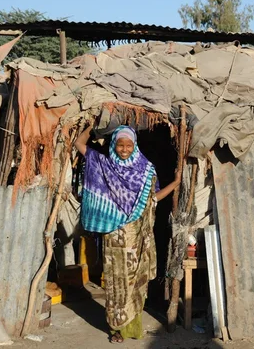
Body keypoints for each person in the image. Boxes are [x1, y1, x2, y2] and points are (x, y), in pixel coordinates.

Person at [75, 124, 181, 343]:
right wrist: (90, 126)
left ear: (135, 146)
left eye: (128, 145)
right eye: (120, 144)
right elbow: (79, 144)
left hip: (137, 239)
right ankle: (116, 328)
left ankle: (132, 327)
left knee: (135, 283)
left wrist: (175, 183)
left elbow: (152, 200)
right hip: (113, 239)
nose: (124, 149)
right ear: (114, 145)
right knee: (115, 283)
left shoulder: (146, 170)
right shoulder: (104, 165)